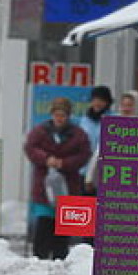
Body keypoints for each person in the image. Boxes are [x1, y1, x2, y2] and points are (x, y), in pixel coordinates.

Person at [23, 97, 91, 261]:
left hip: (68, 187)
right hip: (44, 187)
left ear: (68, 116)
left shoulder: (78, 134)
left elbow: (84, 154)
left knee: (62, 231)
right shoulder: (40, 131)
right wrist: (46, 159)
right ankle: (39, 260)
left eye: (63, 115)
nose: (59, 118)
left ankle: (60, 261)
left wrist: (65, 163)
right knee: (44, 226)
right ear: (52, 114)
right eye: (56, 114)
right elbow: (30, 148)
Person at [77, 85, 113, 195]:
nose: (97, 103)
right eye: (95, 100)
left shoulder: (113, 119)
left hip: (105, 172)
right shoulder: (83, 120)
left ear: (107, 102)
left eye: (101, 100)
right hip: (83, 169)